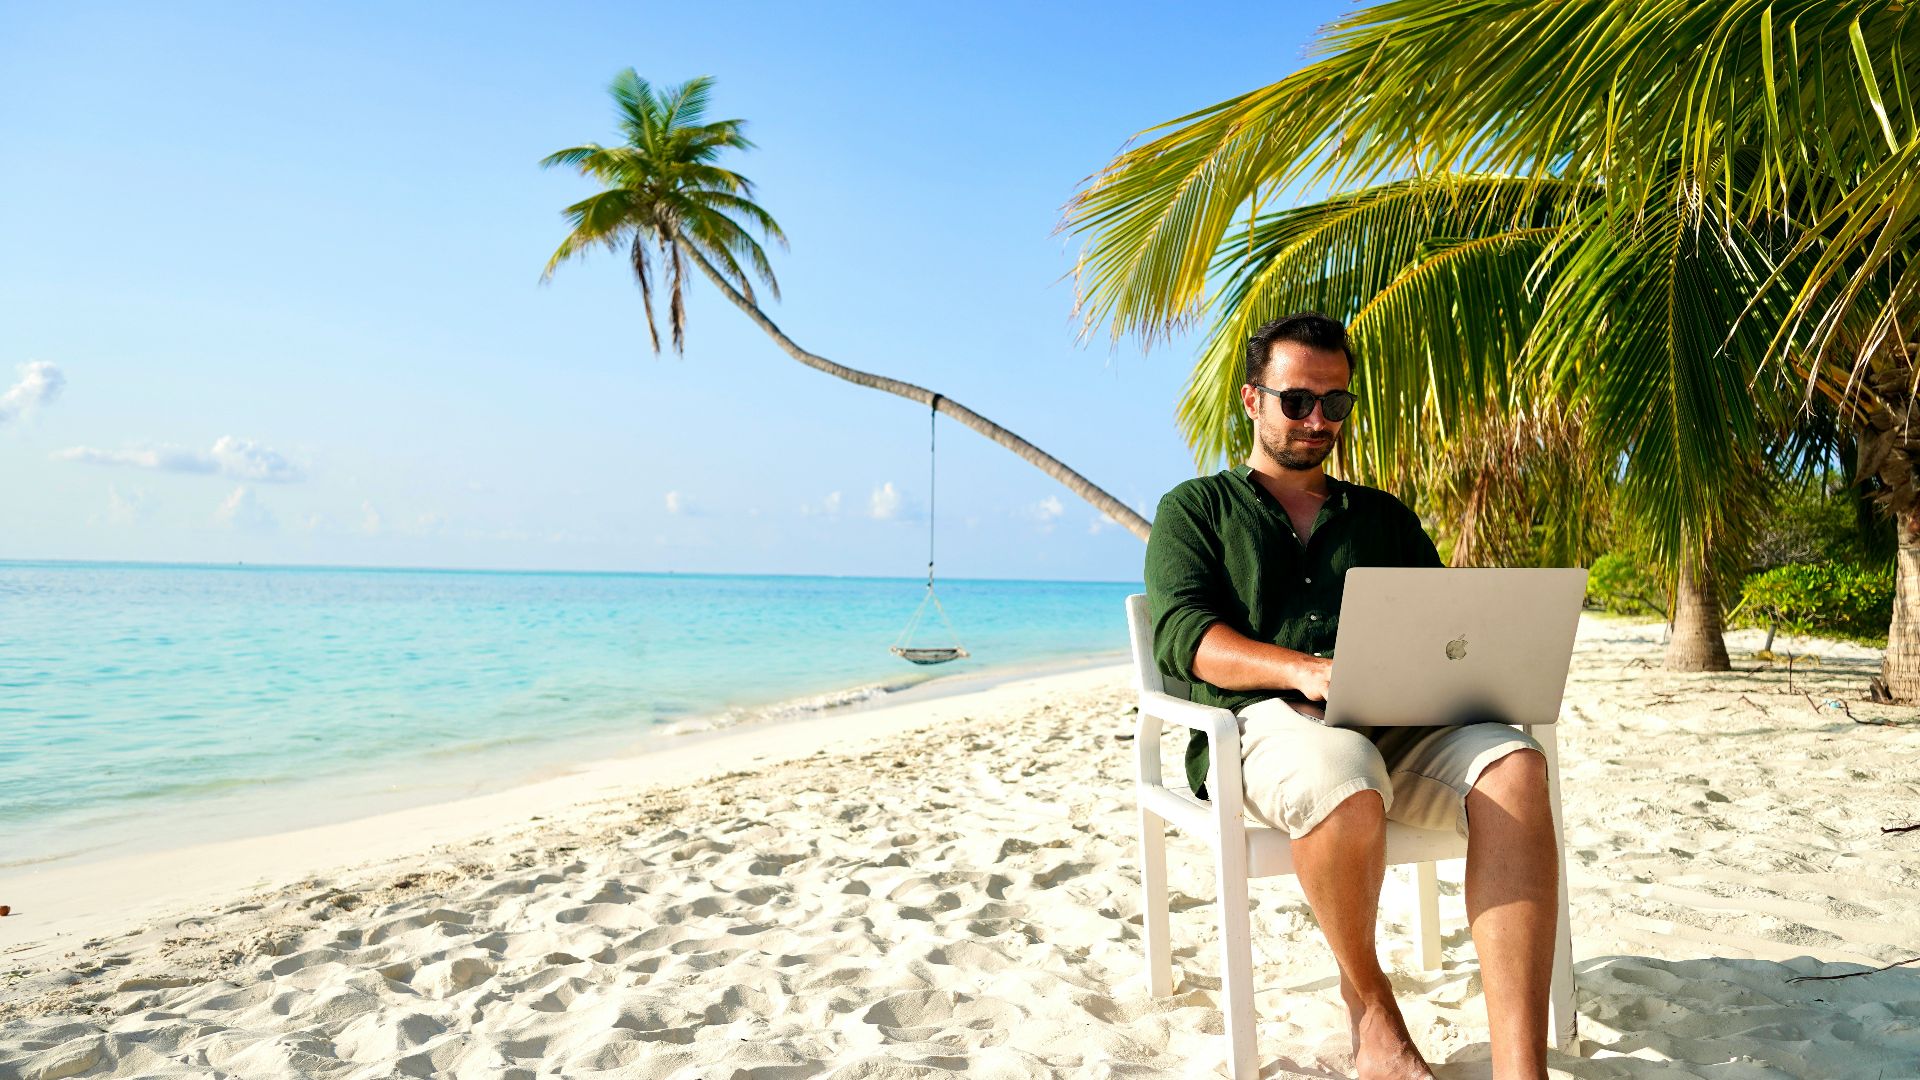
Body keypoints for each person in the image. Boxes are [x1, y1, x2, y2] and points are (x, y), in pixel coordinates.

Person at [1143, 313, 1561, 1080]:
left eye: (1335, 405)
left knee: (1518, 767)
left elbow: (1443, 628)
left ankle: (1520, 1069)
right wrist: (1301, 670)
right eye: (1297, 400)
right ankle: (1372, 1011)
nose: (1317, 421)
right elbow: (1188, 636)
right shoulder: (1195, 510)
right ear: (1250, 399)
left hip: (1399, 718)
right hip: (1263, 723)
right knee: (1345, 777)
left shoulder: (1384, 518)